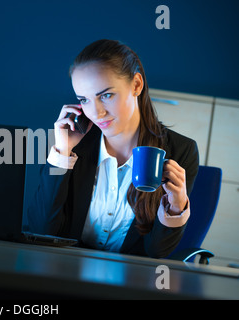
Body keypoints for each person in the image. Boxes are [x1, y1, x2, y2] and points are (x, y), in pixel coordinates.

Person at [27, 39, 199, 258]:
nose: (96, 113)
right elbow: (40, 230)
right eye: (84, 100)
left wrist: (176, 207)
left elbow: (156, 252)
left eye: (106, 95)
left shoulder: (181, 150)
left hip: (129, 282)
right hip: (66, 271)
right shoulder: (75, 146)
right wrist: (62, 152)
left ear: (136, 85)